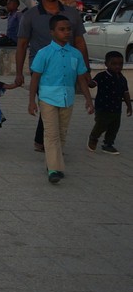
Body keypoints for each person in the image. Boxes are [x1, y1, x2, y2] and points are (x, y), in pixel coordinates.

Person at [13, 0, 90, 152]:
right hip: (41, 67)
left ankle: (42, 140)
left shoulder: (71, 14)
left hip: (67, 66)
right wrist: (19, 73)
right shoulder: (30, 15)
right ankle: (51, 144)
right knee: (48, 101)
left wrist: (86, 70)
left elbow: (80, 42)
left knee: (60, 103)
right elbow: (22, 44)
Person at [27, 14, 94, 183]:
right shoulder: (44, 53)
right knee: (51, 134)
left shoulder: (75, 54)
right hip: (48, 97)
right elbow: (35, 77)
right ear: (52, 32)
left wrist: (88, 99)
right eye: (61, 29)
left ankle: (53, 163)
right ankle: (54, 169)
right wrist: (31, 101)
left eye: (68, 29)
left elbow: (81, 78)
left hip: (68, 98)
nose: (66, 32)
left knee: (62, 132)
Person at [88, 51, 130, 154]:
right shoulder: (102, 76)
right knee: (101, 124)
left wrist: (129, 106)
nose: (117, 67)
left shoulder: (122, 79)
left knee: (114, 127)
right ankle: (94, 137)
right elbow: (92, 84)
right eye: (114, 64)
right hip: (102, 107)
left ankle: (108, 144)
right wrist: (88, 81)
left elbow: (125, 92)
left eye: (120, 64)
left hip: (116, 108)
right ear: (106, 64)